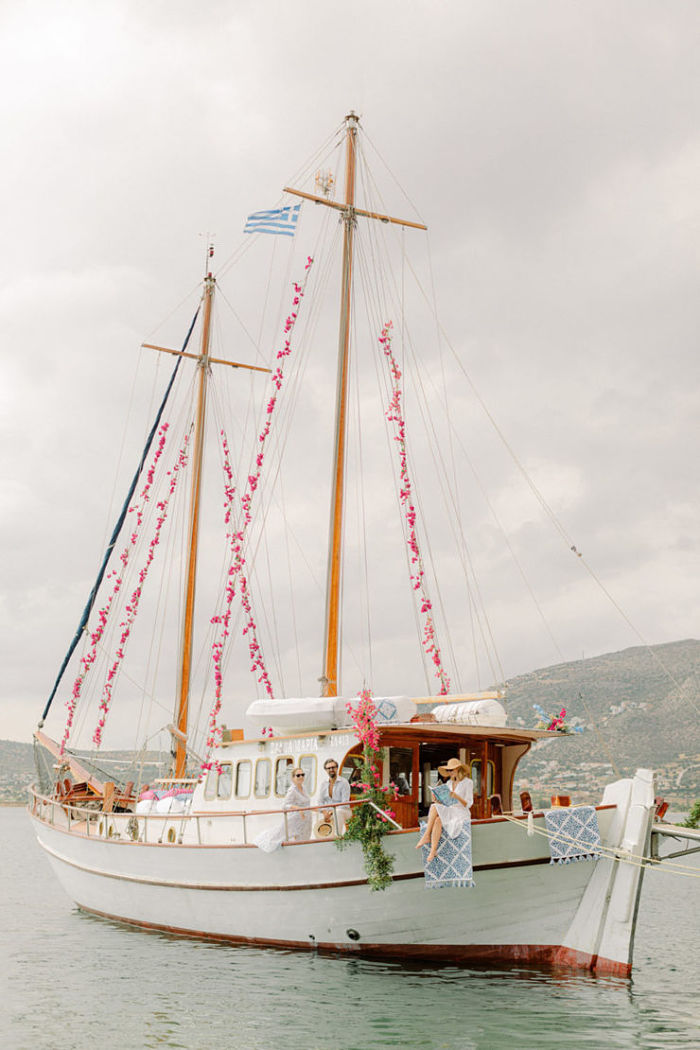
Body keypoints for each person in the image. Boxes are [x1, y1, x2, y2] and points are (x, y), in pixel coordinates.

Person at [416, 757, 473, 863]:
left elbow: (468, 804)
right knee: (435, 811)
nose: (449, 772)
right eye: (448, 770)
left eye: (451, 770)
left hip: (461, 812)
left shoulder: (468, 783)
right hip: (450, 810)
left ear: (458, 769)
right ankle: (433, 850)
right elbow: (446, 802)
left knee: (435, 810)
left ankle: (426, 835)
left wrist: (456, 796)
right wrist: (437, 799)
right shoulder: (449, 784)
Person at [255, 767, 311, 852]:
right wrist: (298, 808)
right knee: (282, 835)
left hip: (306, 819)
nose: (301, 777)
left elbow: (307, 804)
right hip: (295, 818)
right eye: (298, 775)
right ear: (293, 778)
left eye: (302, 775)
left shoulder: (304, 788)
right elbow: (285, 806)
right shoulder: (292, 790)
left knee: (304, 839)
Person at [316, 758, 351, 833]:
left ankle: (336, 837)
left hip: (343, 810)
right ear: (326, 770)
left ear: (337, 768)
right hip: (328, 811)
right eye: (329, 768)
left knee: (337, 812)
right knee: (316, 815)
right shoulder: (323, 784)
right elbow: (320, 801)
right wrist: (324, 812)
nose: (331, 769)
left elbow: (345, 802)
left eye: (333, 767)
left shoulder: (344, 782)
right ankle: (322, 839)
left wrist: (331, 812)